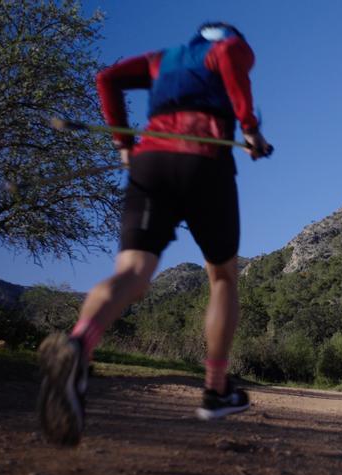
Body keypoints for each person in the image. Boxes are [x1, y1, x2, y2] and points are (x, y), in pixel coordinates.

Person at [38, 21, 273, 446]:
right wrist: (250, 129)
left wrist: (123, 144)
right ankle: (216, 389)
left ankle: (78, 344)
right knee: (222, 276)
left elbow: (106, 78)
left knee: (132, 271)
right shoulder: (229, 48)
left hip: (151, 161)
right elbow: (229, 62)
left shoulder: (162, 59)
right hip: (205, 162)